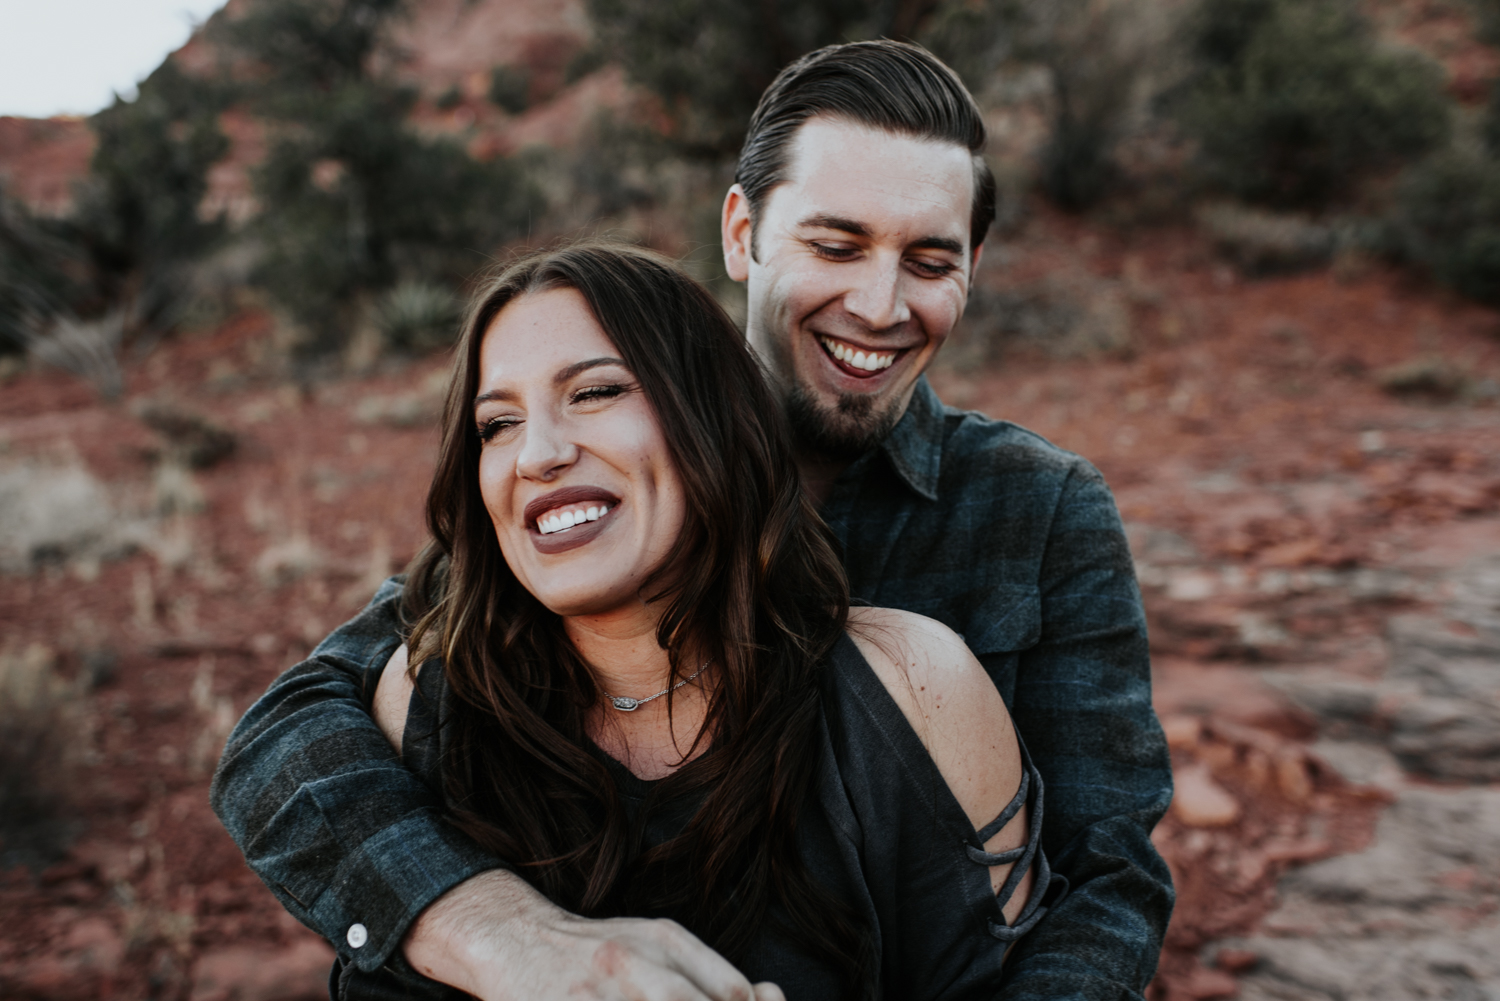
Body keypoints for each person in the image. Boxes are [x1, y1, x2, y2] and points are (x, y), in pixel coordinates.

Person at [212, 39, 1173, 1001]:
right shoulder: (593, 477)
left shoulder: (1040, 506)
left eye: (930, 261)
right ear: (739, 232)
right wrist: (491, 925)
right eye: (835, 246)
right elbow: (291, 729)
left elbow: (1104, 877)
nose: (880, 305)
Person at [318, 241, 1053, 999]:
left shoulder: (910, 692)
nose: (535, 453)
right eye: (497, 424)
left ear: (713, 415)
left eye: (596, 392)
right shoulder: (430, 707)